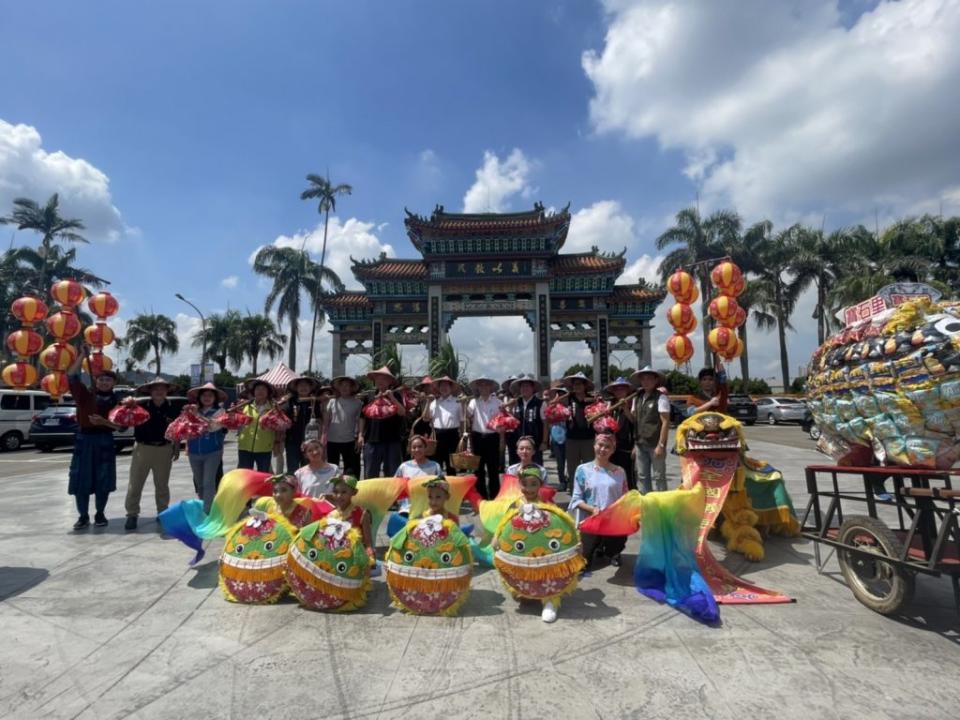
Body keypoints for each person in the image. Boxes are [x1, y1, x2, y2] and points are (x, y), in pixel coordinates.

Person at [66, 343, 120, 529]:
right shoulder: (84, 396)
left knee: (103, 480)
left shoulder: (118, 401)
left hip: (105, 440)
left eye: (108, 380)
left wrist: (104, 422)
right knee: (81, 478)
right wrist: (81, 355)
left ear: (114, 383)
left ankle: (100, 514)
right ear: (96, 381)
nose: (104, 382)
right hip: (84, 440)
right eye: (101, 380)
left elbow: (120, 428)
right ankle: (82, 516)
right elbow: (72, 376)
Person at [125, 378, 180, 531]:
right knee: (135, 483)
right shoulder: (139, 405)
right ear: (149, 391)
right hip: (143, 448)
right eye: (155, 388)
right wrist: (127, 402)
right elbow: (122, 410)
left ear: (167, 391)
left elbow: (177, 428)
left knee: (162, 485)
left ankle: (162, 512)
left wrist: (176, 447)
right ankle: (132, 514)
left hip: (164, 448)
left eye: (162, 388)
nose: (159, 391)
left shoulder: (173, 407)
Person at [569, 431, 629, 569]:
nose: (603, 449)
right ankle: (596, 546)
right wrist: (592, 509)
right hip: (591, 520)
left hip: (612, 520)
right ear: (594, 445)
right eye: (600, 445)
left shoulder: (619, 471)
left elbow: (625, 498)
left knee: (615, 543)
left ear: (613, 450)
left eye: (607, 447)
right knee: (584, 564)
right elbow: (576, 500)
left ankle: (613, 551)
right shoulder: (582, 470)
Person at [186, 382, 227, 513]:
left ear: (215, 398)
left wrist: (196, 415)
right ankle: (204, 505)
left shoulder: (220, 412)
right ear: (199, 397)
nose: (207, 398)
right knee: (199, 483)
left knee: (208, 482)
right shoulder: (192, 411)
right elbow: (186, 429)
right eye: (204, 395)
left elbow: (213, 426)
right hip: (194, 452)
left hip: (213, 452)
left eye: (210, 395)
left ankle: (207, 511)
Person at [359, 366, 407, 478]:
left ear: (390, 381)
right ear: (374, 380)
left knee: (392, 474)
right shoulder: (370, 396)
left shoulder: (396, 395)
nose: (380, 381)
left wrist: (392, 398)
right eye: (378, 378)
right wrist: (360, 435)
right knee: (370, 474)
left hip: (392, 440)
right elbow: (362, 417)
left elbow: (402, 412)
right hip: (371, 440)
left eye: (384, 379)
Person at [630, 367, 671, 493]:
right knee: (642, 476)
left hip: (655, 443)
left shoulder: (661, 397)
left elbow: (665, 422)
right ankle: (646, 505)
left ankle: (662, 506)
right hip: (640, 443)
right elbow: (635, 421)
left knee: (659, 477)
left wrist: (661, 445)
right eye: (643, 379)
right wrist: (635, 444)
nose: (646, 381)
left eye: (649, 378)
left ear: (655, 380)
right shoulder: (637, 397)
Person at [466, 377, 502, 499]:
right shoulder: (473, 402)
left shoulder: (497, 402)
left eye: (486, 385)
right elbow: (467, 415)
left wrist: (502, 438)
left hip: (493, 437)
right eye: (481, 385)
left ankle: (494, 496)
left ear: (491, 387)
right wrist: (462, 405)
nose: (484, 388)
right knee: (478, 470)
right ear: (478, 388)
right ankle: (481, 496)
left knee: (493, 469)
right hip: (478, 437)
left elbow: (502, 420)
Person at [327, 475, 376, 564]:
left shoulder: (362, 514)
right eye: (335, 492)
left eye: (344, 492)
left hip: (355, 560)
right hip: (333, 559)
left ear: (354, 492)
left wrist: (370, 556)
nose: (339, 496)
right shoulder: (330, 513)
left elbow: (368, 543)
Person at [237, 379, 282, 472]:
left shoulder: (274, 408)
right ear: (253, 392)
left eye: (263, 389)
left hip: (264, 448)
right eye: (257, 389)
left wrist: (277, 442)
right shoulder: (244, 406)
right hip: (245, 447)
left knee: (263, 476)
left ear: (268, 392)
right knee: (245, 476)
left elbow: (279, 427)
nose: (260, 391)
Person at [323, 375, 363, 477]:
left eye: (347, 386)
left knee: (352, 471)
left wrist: (360, 436)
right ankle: (333, 491)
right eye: (342, 386)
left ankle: (352, 491)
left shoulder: (358, 403)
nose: (344, 388)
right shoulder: (332, 402)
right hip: (332, 440)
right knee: (332, 470)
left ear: (352, 388)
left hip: (350, 440)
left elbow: (360, 421)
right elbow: (326, 420)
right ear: (338, 388)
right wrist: (323, 435)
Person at [423, 376, 463, 474]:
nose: (444, 388)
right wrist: (428, 402)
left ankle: (452, 488)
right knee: (437, 464)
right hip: (437, 435)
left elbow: (462, 421)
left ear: (451, 388)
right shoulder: (434, 403)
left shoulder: (457, 402)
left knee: (451, 466)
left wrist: (463, 437)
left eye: (446, 386)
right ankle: (437, 487)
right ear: (439, 388)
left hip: (452, 435)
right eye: (442, 386)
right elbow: (425, 418)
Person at [283, 375, 321, 473]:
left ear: (311, 388)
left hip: (310, 442)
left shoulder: (314, 402)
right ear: (296, 388)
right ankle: (293, 488)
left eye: (306, 386)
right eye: (300, 386)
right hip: (292, 441)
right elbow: (283, 418)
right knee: (293, 470)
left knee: (308, 470)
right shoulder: (290, 401)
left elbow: (320, 420)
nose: (303, 388)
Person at [507, 374, 547, 466]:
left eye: (527, 386)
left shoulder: (540, 403)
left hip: (534, 443)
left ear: (533, 388)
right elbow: (509, 421)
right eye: (522, 386)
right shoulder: (515, 402)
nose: (525, 388)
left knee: (534, 470)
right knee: (516, 470)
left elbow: (545, 423)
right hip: (517, 442)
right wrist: (509, 408)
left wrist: (544, 442)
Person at [606, 376, 638, 490]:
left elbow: (635, 423)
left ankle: (631, 502)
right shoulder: (611, 405)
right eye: (617, 389)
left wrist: (625, 409)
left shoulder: (633, 403)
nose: (619, 391)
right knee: (613, 476)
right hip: (613, 447)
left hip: (627, 448)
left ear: (627, 390)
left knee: (629, 477)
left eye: (622, 389)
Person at [564, 371, 596, 471]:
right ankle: (573, 486)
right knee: (572, 468)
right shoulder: (567, 398)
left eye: (579, 384)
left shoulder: (592, 399)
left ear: (585, 385)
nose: (577, 386)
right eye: (575, 384)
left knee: (590, 467)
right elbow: (553, 405)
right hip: (572, 438)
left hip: (589, 439)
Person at [544, 384, 569, 491]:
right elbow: (547, 418)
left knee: (570, 462)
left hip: (570, 437)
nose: (560, 397)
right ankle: (562, 481)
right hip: (556, 437)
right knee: (560, 462)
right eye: (558, 394)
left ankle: (570, 481)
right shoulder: (552, 406)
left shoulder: (570, 406)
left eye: (563, 394)